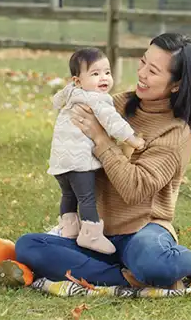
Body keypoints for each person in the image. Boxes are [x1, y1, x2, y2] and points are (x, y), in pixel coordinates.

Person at [11, 33, 191, 289]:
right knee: (29, 247)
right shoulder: (112, 105)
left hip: (142, 233)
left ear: (176, 84)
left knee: (153, 263)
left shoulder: (176, 133)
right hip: (97, 236)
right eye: (142, 62)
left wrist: (101, 139)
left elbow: (134, 189)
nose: (141, 73)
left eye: (152, 71)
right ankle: (128, 277)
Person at [47, 48, 145, 255]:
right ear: (78, 80)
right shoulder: (97, 99)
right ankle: (90, 235)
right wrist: (132, 139)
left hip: (59, 162)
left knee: (68, 195)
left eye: (107, 72)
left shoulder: (73, 93)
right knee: (87, 198)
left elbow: (57, 100)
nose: (104, 78)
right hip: (80, 161)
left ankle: (69, 229)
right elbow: (113, 122)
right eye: (95, 73)